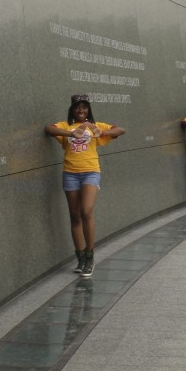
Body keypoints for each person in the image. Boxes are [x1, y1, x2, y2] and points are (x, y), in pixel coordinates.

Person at [45, 94, 125, 277]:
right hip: (70, 174)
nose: (81, 110)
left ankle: (90, 255)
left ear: (88, 109)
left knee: (86, 211)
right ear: (72, 109)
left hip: (90, 172)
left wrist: (101, 132)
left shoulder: (95, 126)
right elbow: (49, 129)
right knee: (74, 216)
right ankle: (80, 257)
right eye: (77, 107)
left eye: (84, 107)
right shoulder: (66, 126)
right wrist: (71, 133)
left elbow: (121, 130)